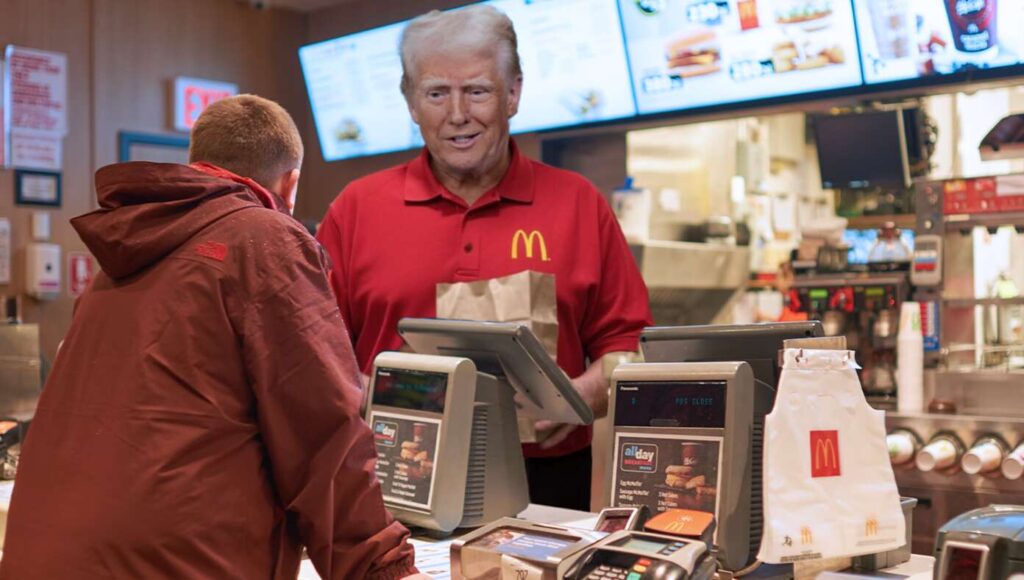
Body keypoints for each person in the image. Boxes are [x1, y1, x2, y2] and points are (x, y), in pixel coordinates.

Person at [0, 95, 424, 580]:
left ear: (196, 168)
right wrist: (383, 567)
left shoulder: (118, 258)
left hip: (46, 552)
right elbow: (324, 430)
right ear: (291, 184)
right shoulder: (268, 239)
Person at [316, 6, 652, 511]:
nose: (457, 114)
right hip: (391, 480)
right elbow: (319, 353)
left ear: (512, 94)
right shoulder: (355, 209)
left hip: (547, 483)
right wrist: (369, 397)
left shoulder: (579, 203)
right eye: (435, 93)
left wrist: (581, 395)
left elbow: (627, 347)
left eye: (477, 90)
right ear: (410, 102)